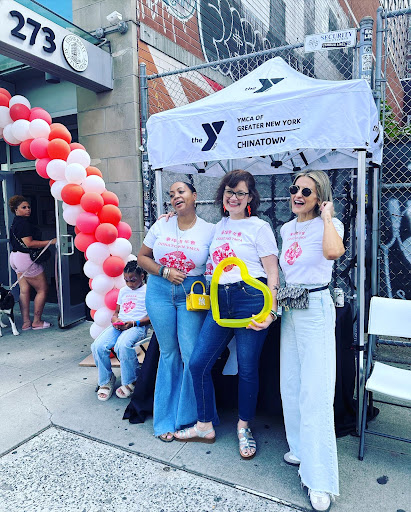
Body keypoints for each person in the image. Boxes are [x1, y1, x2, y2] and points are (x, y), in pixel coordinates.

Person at [174, 170, 279, 460]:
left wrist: (272, 311)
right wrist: (170, 219)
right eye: (229, 192)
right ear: (222, 196)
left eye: (240, 193)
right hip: (219, 301)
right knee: (198, 364)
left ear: (250, 197)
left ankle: (244, 427)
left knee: (247, 368)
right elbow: (188, 230)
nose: (234, 197)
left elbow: (272, 273)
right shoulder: (216, 227)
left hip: (250, 299)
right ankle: (204, 425)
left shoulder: (260, 227)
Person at [279, 170, 345, 511]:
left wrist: (328, 217)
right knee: (291, 383)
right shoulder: (286, 229)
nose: (298, 195)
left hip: (316, 305)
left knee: (315, 391)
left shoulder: (330, 225)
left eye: (307, 191)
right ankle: (300, 448)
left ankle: (319, 479)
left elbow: (333, 253)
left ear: (320, 197)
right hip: (290, 305)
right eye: (295, 188)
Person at [137, 181, 215, 442]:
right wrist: (164, 271)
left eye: (181, 192)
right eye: (171, 195)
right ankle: (165, 420)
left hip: (191, 293)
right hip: (159, 291)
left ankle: (193, 419)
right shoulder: (161, 225)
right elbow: (142, 257)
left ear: (195, 195)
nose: (175, 197)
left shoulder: (210, 230)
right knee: (168, 353)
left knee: (190, 354)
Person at [91, 261, 150, 401]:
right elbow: (116, 312)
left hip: (137, 326)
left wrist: (134, 323)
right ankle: (106, 379)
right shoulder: (123, 291)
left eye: (133, 280)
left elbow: (152, 317)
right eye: (126, 280)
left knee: (122, 346)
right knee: (97, 346)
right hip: (120, 324)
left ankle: (131, 380)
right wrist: (115, 319)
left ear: (142, 276)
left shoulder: (148, 291)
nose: (129, 284)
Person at [8, 195, 56, 331]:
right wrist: (51, 242)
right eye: (23, 207)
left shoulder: (15, 222)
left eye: (28, 207)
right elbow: (29, 243)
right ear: (16, 210)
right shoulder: (24, 224)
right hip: (24, 258)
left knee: (24, 291)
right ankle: (37, 321)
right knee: (42, 289)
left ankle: (26, 323)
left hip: (15, 257)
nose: (28, 209)